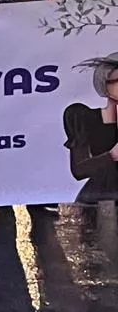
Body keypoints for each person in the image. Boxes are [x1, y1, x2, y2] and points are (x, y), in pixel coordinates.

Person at [66, 53, 118, 205]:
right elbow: (79, 170)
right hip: (100, 201)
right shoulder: (84, 117)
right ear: (104, 83)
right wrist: (111, 155)